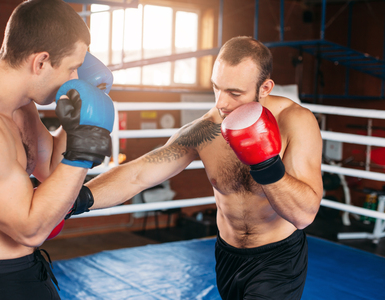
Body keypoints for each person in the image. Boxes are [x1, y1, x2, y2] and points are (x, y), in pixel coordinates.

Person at [84, 36, 323, 299]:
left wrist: (267, 165)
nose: (221, 103)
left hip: (278, 258)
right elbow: (138, 175)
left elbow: (304, 215)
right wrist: (76, 198)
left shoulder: (295, 122)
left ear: (264, 88)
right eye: (216, 88)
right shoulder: (204, 130)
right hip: (228, 255)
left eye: (234, 93)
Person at [0, 0, 114, 299]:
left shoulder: (20, 105)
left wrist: (81, 118)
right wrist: (84, 149)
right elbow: (28, 229)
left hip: (28, 270)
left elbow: (51, 171)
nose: (74, 79)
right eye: (72, 68)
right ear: (41, 62)